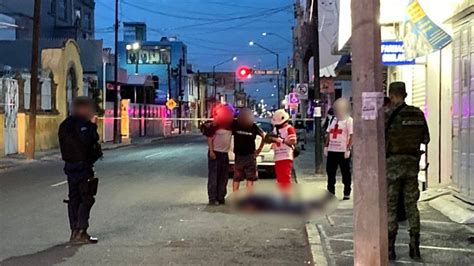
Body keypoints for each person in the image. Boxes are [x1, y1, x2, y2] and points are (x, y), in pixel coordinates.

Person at [385, 82, 430, 261]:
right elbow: (426, 138)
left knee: (392, 205)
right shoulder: (418, 114)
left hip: (392, 166)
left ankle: (390, 248)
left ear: (391, 95)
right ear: (406, 93)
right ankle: (414, 246)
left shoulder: (387, 115)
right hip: (412, 164)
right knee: (412, 205)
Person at [58, 97, 102, 244]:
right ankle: (81, 231)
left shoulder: (64, 125)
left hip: (69, 166)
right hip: (83, 165)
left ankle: (74, 231)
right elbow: (90, 140)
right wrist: (93, 125)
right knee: (87, 197)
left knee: (74, 199)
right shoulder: (84, 124)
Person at [324, 98, 353, 200]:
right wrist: (326, 146)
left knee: (346, 172)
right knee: (330, 173)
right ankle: (330, 192)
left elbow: (351, 135)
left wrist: (348, 148)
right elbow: (329, 133)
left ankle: (347, 192)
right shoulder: (333, 119)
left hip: (342, 151)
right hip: (332, 150)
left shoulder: (349, 120)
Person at [205, 104, 234, 205]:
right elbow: (209, 137)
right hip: (215, 153)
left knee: (223, 177)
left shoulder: (231, 125)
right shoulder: (215, 125)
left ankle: (221, 197)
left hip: (224, 154)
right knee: (214, 177)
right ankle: (212, 198)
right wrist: (211, 151)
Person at [231, 108, 265, 192]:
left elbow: (264, 136)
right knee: (237, 178)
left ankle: (247, 199)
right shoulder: (235, 124)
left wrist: (259, 149)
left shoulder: (253, 126)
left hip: (249, 155)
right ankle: (237, 198)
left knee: (249, 178)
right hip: (240, 156)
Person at [270, 109, 297, 193]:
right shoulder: (275, 130)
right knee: (280, 178)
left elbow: (293, 141)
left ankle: (287, 197)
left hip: (286, 156)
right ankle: (283, 195)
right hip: (278, 156)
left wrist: (280, 140)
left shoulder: (289, 128)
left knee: (286, 177)